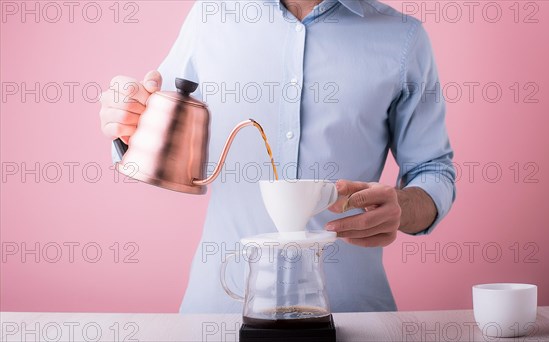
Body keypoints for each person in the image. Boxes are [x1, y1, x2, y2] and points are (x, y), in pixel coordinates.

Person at [99, 0, 456, 313]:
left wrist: (403, 207)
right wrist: (125, 121)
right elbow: (149, 132)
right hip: (219, 312)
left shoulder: (402, 38)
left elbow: (433, 169)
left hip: (351, 316)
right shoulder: (210, 16)